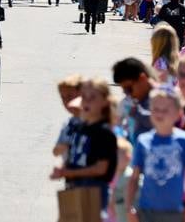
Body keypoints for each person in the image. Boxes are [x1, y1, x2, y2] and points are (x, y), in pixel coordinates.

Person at [126, 87, 185, 222]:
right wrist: (129, 206)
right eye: (156, 109)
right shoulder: (143, 140)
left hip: (176, 211)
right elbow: (134, 177)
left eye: (165, 110)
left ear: (178, 113)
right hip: (147, 211)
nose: (160, 114)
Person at [50, 77, 119, 218]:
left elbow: (101, 168)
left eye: (92, 97)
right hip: (74, 188)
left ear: (105, 102)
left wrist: (69, 173)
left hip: (93, 191)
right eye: (84, 97)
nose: (86, 101)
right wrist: (64, 169)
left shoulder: (104, 132)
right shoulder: (80, 127)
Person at [113, 58, 156, 144]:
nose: (128, 94)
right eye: (124, 91)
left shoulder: (164, 100)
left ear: (142, 78)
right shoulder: (132, 101)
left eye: (129, 89)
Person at [53, 74, 83, 157]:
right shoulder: (68, 124)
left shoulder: (95, 121)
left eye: (70, 96)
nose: (66, 101)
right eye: (63, 98)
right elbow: (55, 152)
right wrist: (62, 148)